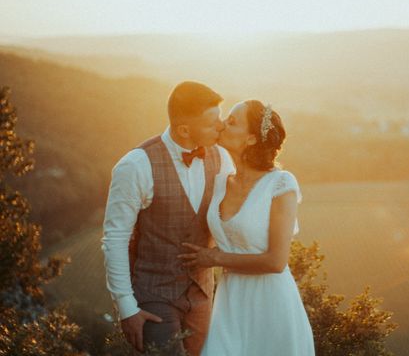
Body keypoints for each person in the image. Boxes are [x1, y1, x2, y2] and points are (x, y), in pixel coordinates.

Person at [101, 81, 234, 355]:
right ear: (184, 129)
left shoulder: (222, 159)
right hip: (154, 296)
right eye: (212, 122)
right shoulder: (135, 166)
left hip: (202, 296)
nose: (221, 127)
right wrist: (127, 308)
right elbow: (115, 239)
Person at [178, 100, 315, 355]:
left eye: (231, 122)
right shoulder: (219, 181)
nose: (221, 125)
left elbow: (276, 261)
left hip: (271, 304)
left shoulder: (280, 184)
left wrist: (214, 257)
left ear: (251, 139)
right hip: (230, 301)